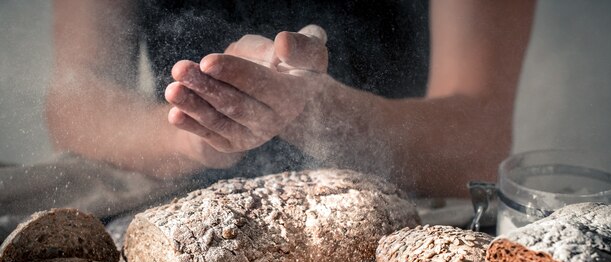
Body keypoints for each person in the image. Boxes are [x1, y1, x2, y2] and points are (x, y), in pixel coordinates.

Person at [45, 0, 536, 197]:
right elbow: (75, 101)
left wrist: (318, 112)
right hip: (175, 200)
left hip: (393, 220)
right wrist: (194, 133)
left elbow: (479, 140)